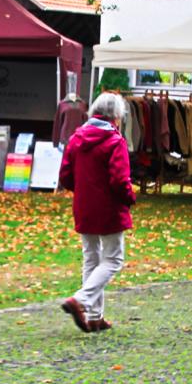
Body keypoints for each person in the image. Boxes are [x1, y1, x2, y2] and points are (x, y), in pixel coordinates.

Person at [57, 93, 136, 333]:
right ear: (116, 116)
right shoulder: (115, 140)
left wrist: (83, 191)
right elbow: (119, 180)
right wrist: (130, 198)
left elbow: (65, 176)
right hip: (109, 207)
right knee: (113, 259)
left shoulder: (76, 138)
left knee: (91, 258)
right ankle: (81, 300)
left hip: (84, 205)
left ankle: (94, 316)